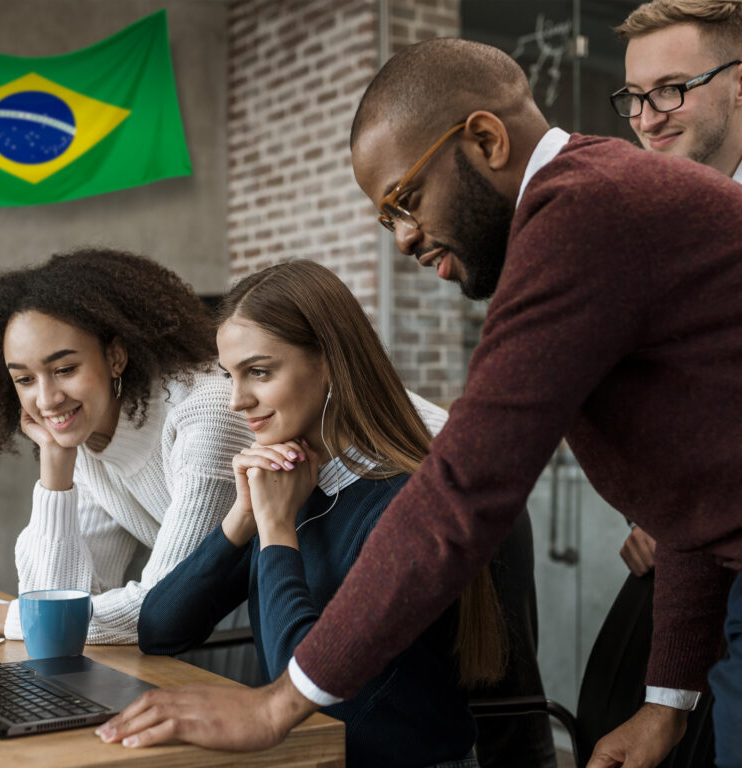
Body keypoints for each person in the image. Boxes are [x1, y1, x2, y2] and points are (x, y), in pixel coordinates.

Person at [98, 39, 742, 768]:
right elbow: (694, 498)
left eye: (406, 199)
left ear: (485, 139)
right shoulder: (592, 205)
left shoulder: (584, 213)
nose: (404, 237)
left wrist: (276, 704)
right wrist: (666, 704)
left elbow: (467, 489)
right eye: (386, 219)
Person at [136, 260, 506, 768]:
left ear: (330, 362)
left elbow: (308, 691)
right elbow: (159, 628)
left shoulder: (405, 502)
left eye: (259, 372)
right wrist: (244, 516)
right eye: (230, 376)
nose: (236, 401)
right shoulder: (292, 485)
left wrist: (276, 528)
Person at [0, 248, 253, 643]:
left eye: (64, 370)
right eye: (24, 380)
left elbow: (164, 601)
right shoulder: (90, 438)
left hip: (284, 632)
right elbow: (57, 602)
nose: (47, 398)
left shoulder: (205, 413)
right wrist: (56, 469)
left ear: (116, 357)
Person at [612, 0, 742, 577]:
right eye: (635, 97)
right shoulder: (642, 232)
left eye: (671, 89)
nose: (647, 118)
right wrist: (642, 510)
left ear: (740, 87)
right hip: (679, 558)